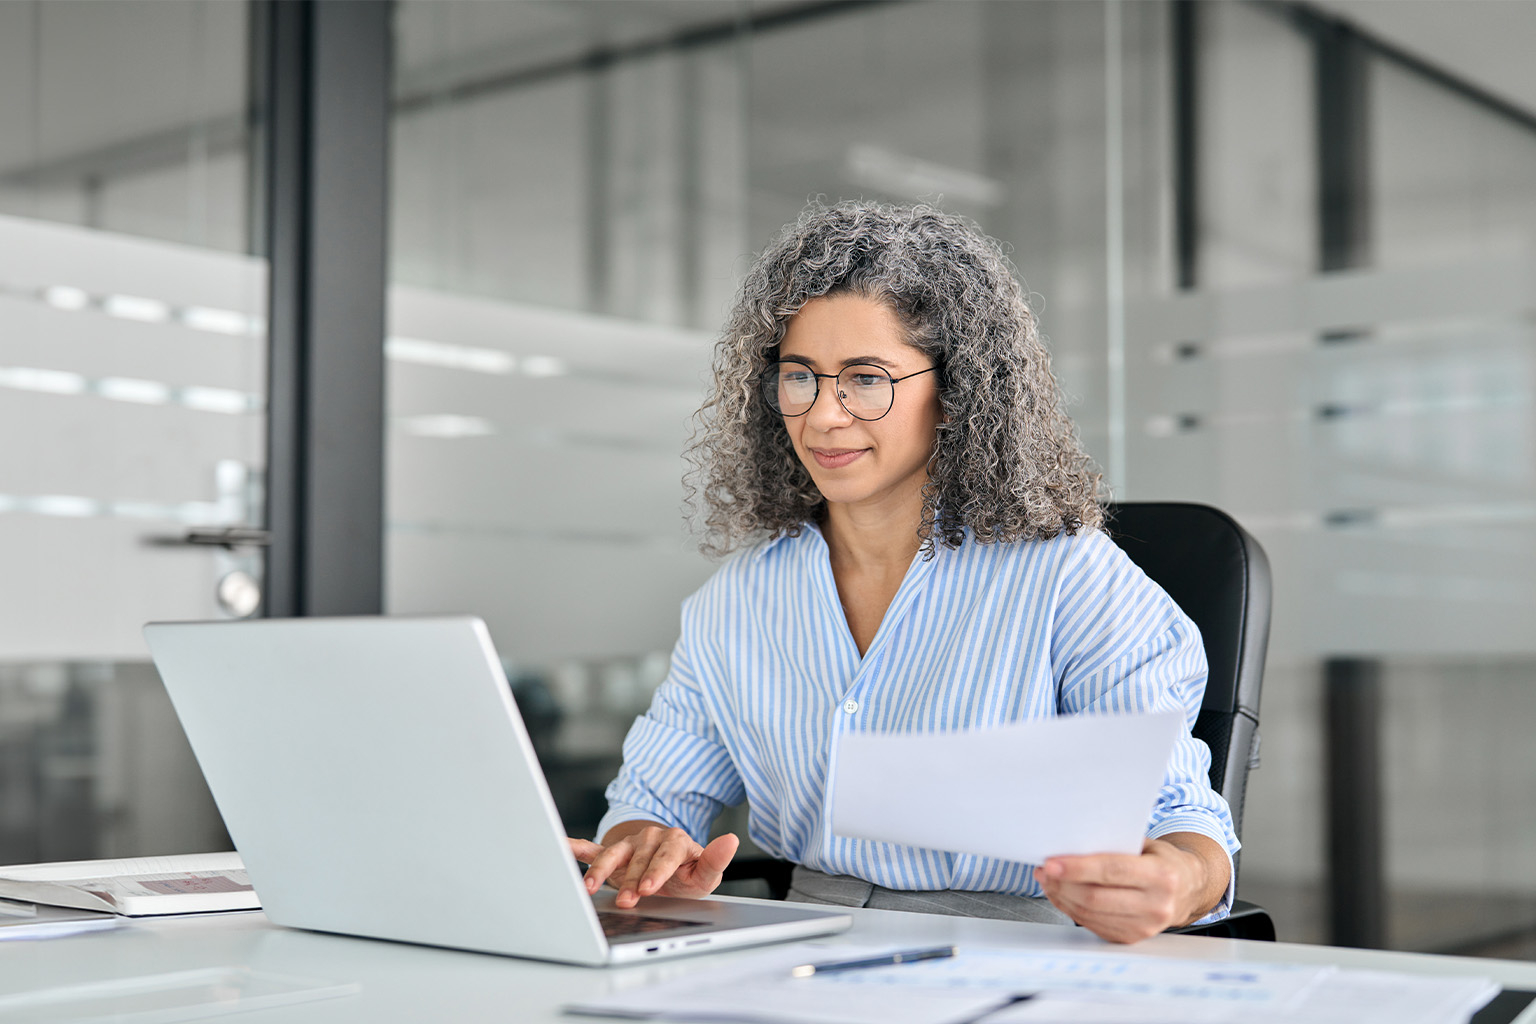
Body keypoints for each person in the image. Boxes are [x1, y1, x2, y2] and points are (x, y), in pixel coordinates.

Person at [568, 201, 1238, 943]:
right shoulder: (736, 604)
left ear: (955, 394)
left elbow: (1187, 825)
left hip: (1017, 956)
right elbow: (651, 801)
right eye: (801, 378)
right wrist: (642, 849)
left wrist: (1176, 884)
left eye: (865, 378)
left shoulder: (1070, 580)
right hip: (796, 952)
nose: (823, 416)